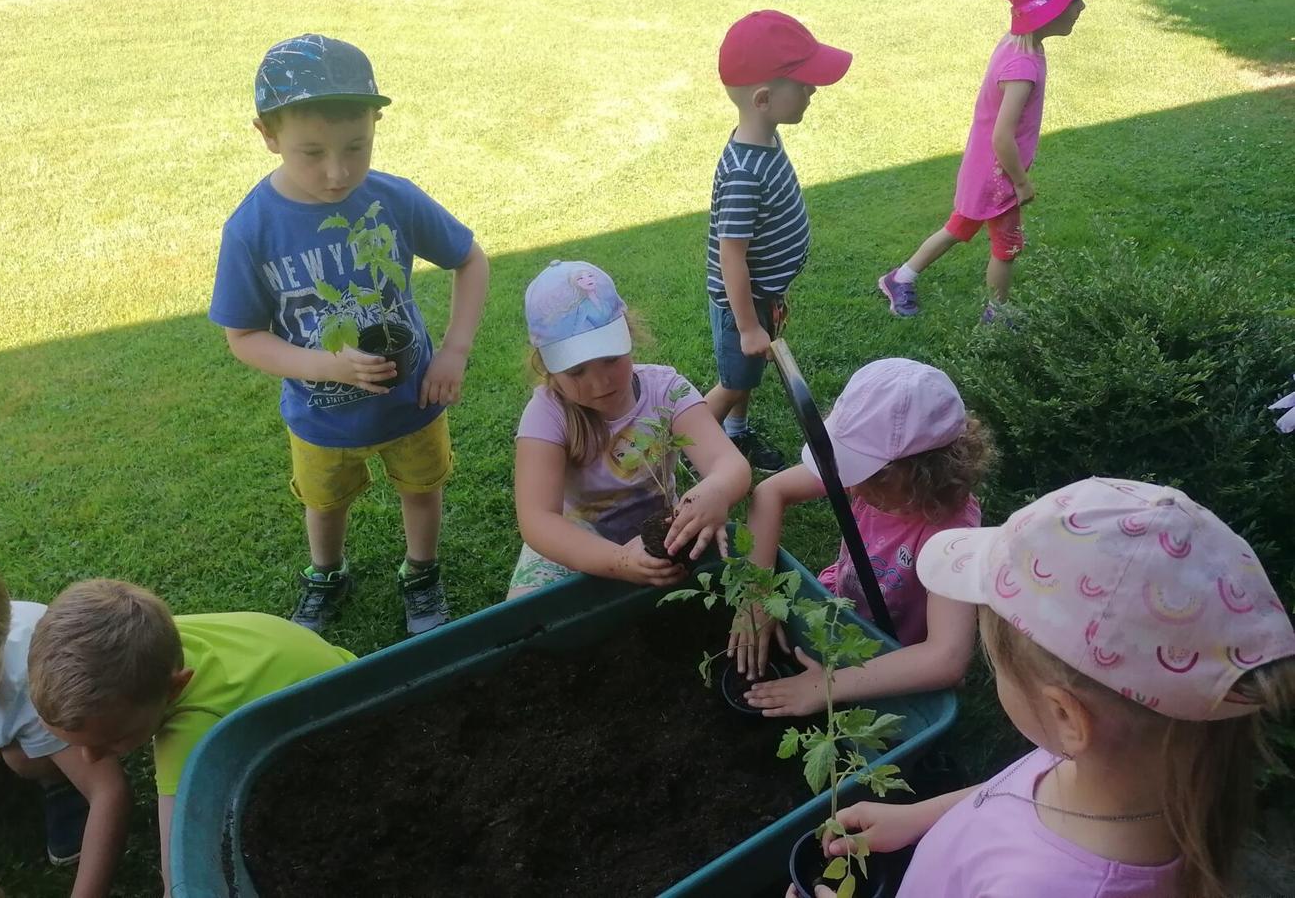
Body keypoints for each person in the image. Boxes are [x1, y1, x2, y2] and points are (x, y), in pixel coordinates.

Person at [798, 477, 1295, 898]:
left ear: (1065, 716)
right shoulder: (1128, 770)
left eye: (999, 666)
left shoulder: (1041, 887)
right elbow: (1017, 793)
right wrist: (922, 817)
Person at [209, 34, 490, 634]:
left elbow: (471, 260)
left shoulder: (391, 201)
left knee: (422, 488)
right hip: (320, 415)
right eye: (312, 152)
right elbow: (244, 336)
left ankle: (421, 573)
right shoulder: (251, 229)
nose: (337, 172)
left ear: (376, 124)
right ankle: (327, 574)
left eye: (356, 147)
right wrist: (327, 367)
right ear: (267, 134)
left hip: (414, 400)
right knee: (324, 500)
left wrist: (454, 351)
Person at [27, 579, 356, 897]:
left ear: (176, 688)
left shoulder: (189, 732)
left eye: (112, 740)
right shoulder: (152, 645)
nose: (90, 759)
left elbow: (180, 874)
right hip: (343, 669)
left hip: (341, 737)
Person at [737, 360, 992, 716]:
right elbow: (769, 493)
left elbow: (946, 658)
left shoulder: (952, 535)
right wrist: (757, 597)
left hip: (893, 651)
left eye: (867, 471)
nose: (852, 484)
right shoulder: (876, 481)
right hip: (840, 603)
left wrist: (823, 687)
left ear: (923, 474)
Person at [878, 0, 1099, 323]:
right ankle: (997, 314)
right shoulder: (1023, 67)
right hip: (998, 176)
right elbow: (1002, 137)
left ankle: (900, 278)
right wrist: (1022, 183)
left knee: (958, 227)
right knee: (1007, 246)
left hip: (981, 169)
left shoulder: (1016, 43)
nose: (1082, 6)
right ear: (1052, 8)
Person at [509, 260, 750, 597]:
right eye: (576, 371)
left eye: (611, 358)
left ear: (629, 336)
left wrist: (717, 490)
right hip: (575, 539)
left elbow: (729, 464)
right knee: (526, 612)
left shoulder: (666, 391)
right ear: (546, 366)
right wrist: (620, 560)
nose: (599, 382)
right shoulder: (547, 413)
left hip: (664, 527)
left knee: (730, 574)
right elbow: (538, 520)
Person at [706, 10, 853, 471]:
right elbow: (732, 257)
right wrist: (749, 326)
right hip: (742, 305)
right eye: (804, 83)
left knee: (747, 373)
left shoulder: (765, 138)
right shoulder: (745, 172)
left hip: (764, 296)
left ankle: (735, 432)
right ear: (765, 98)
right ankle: (692, 451)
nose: (812, 91)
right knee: (734, 380)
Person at [0, 550, 128, 898]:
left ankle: (58, 782)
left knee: (23, 758)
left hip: (22, 733)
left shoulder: (33, 673)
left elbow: (109, 791)